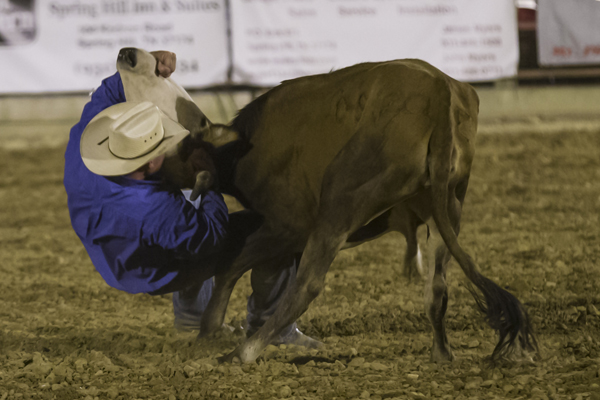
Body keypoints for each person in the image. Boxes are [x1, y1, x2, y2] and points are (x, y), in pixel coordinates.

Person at [63, 51, 305, 343]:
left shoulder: (89, 139)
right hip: (150, 270)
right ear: (151, 163)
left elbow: (116, 85)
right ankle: (273, 329)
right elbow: (210, 237)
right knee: (275, 230)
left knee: (183, 212)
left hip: (109, 241)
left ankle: (192, 319)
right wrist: (209, 180)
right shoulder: (152, 209)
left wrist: (149, 65)